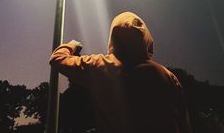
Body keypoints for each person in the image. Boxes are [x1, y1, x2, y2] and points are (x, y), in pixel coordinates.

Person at [50, 11, 192, 133]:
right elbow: (184, 124)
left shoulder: (100, 66)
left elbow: (57, 59)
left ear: (114, 36)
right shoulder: (167, 76)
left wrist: (72, 46)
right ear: (147, 39)